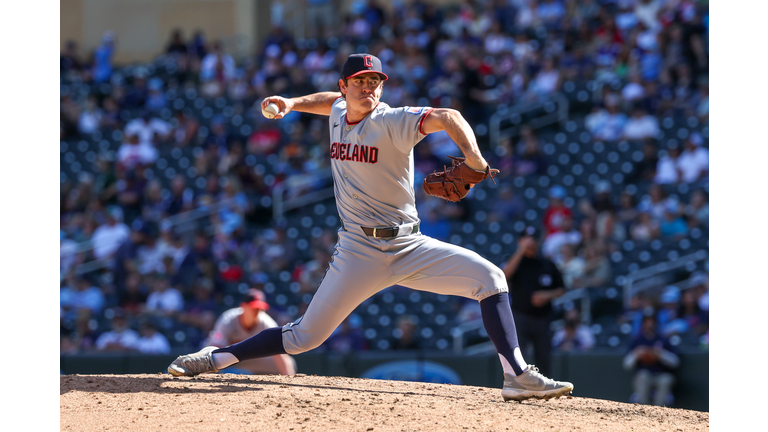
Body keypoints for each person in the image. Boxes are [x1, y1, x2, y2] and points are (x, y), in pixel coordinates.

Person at [169, 53, 574, 402]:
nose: (369, 88)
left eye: (375, 81)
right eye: (361, 82)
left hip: (408, 245)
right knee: (303, 338)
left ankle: (517, 376)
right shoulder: (338, 111)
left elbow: (449, 116)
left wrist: (475, 158)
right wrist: (292, 103)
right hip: (357, 252)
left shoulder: (393, 121)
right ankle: (216, 358)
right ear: (345, 86)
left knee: (491, 277)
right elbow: (330, 102)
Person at [503, 226, 567, 377]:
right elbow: (504, 276)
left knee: (544, 359)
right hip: (520, 316)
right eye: (527, 238)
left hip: (543, 318)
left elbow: (562, 288)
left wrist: (547, 295)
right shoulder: (514, 260)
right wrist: (520, 250)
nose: (531, 242)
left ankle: (543, 392)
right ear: (520, 240)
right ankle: (518, 387)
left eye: (533, 239)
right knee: (519, 357)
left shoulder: (546, 264)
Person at [200, 289, 296, 376]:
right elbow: (215, 347)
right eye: (253, 308)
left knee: (287, 362)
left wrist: (289, 377)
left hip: (248, 359)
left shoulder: (266, 322)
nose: (256, 312)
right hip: (226, 358)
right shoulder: (228, 320)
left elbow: (279, 352)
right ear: (243, 307)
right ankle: (201, 377)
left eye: (259, 308)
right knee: (209, 355)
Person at [623, 312, 680, 406]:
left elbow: (675, 362)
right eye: (647, 321)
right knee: (643, 376)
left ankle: (659, 412)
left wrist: (660, 354)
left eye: (652, 321)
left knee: (666, 379)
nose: (649, 324)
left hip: (661, 374)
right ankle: (644, 410)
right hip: (645, 373)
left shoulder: (663, 339)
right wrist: (637, 353)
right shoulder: (638, 340)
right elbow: (626, 364)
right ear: (643, 323)